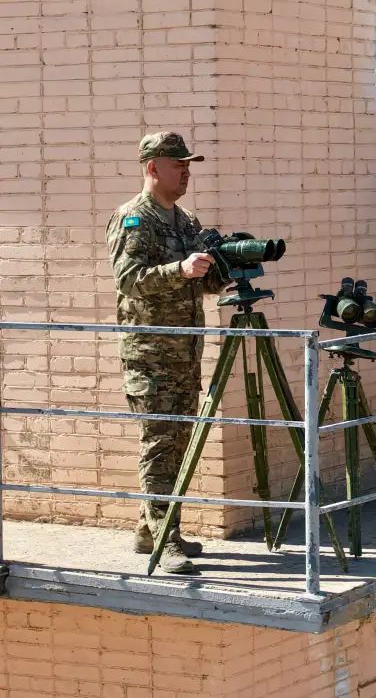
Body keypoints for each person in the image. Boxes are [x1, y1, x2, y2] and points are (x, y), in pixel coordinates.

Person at [106, 132, 229, 574]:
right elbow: (129, 278)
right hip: (151, 353)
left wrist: (223, 268)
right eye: (178, 165)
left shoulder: (186, 221)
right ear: (153, 168)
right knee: (159, 442)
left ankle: (151, 529)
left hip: (185, 352)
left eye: (189, 165)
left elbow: (203, 281)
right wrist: (180, 268)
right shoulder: (133, 219)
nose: (186, 172)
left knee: (178, 442)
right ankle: (164, 538)